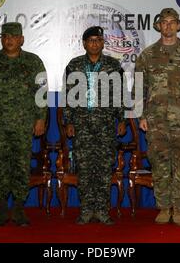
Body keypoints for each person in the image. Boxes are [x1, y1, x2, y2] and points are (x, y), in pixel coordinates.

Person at [134, 8, 180, 226]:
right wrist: (141, 116)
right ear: (158, 26)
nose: (168, 26)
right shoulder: (147, 55)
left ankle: (179, 208)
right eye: (163, 22)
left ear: (178, 25)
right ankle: (164, 208)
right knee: (160, 165)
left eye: (172, 22)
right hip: (155, 122)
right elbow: (139, 88)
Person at [0, 22, 47, 227]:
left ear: (21, 39)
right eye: (5, 36)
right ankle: (0, 209)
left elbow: (41, 93)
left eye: (14, 36)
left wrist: (41, 119)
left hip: (24, 125)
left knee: (21, 166)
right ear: (1, 39)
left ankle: (18, 209)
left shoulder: (34, 61)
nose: (9, 40)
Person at [64, 26, 126, 225]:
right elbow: (68, 96)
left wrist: (122, 119)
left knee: (104, 168)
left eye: (98, 40)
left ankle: (101, 210)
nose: (94, 44)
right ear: (84, 43)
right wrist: (69, 121)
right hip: (82, 125)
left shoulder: (113, 65)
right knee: (84, 169)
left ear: (102, 43)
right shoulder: (74, 65)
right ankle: (85, 210)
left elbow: (120, 94)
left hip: (105, 125)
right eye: (90, 40)